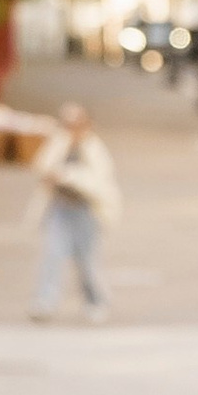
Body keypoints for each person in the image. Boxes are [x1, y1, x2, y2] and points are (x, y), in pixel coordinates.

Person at [29, 101, 119, 322]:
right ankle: (45, 302)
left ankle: (96, 301)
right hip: (60, 208)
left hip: (86, 210)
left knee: (88, 261)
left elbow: (98, 183)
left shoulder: (94, 149)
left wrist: (68, 176)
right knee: (52, 255)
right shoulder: (58, 144)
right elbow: (41, 168)